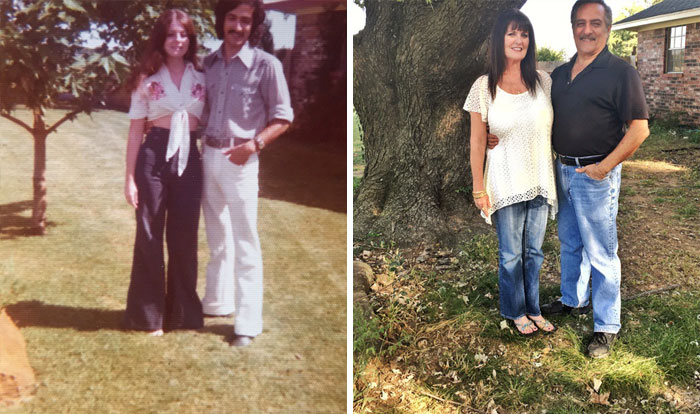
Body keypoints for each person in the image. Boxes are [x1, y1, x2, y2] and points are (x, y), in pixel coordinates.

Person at [489, 0, 649, 357]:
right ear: (573, 28)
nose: (587, 30)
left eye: (595, 23)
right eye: (580, 23)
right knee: (570, 242)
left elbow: (639, 130)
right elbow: (529, 113)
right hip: (561, 170)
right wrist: (496, 134)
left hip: (596, 174)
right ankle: (574, 300)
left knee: (602, 252)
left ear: (607, 28)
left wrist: (604, 167)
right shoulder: (558, 76)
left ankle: (606, 325)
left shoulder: (621, 73)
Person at [200, 0, 294, 347]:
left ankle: (247, 324)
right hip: (208, 154)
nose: (237, 27)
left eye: (245, 21)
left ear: (252, 25)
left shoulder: (266, 66)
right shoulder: (208, 64)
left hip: (241, 158)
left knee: (244, 241)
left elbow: (283, 117)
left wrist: (252, 146)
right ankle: (216, 301)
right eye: (232, 19)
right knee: (216, 237)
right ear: (221, 21)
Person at [464, 9, 558, 336]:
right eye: (511, 33)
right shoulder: (483, 87)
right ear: (499, 40)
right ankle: (514, 310)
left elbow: (556, 123)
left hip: (540, 180)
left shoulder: (543, 81)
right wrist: (479, 187)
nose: (519, 40)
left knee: (534, 251)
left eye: (524, 34)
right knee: (510, 255)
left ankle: (533, 307)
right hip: (504, 181)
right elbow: (478, 140)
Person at [123, 9, 206, 336]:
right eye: (171, 34)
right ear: (162, 38)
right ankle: (148, 317)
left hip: (190, 157)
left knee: (185, 238)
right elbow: (134, 131)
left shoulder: (201, 76)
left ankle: (182, 316)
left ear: (190, 40)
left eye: (183, 34)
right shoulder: (147, 80)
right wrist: (129, 177)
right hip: (154, 156)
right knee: (149, 235)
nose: (178, 40)